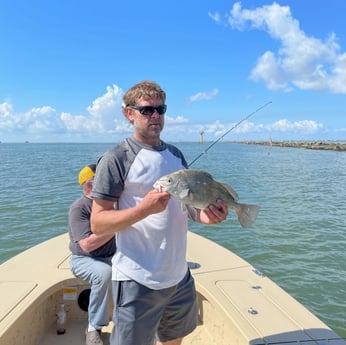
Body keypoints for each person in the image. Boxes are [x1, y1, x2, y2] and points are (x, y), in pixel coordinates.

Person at [90, 80, 228, 345]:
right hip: (136, 278)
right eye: (146, 110)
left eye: (160, 109)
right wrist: (144, 209)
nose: (155, 116)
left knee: (174, 340)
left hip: (179, 276)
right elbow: (98, 223)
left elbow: (187, 209)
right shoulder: (116, 158)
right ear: (128, 113)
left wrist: (206, 217)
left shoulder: (176, 155)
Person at [68, 164, 116, 345]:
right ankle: (93, 327)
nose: (109, 184)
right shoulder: (78, 208)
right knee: (104, 274)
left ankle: (129, 320)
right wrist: (117, 226)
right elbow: (87, 245)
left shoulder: (110, 204)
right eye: (103, 180)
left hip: (112, 255)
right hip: (84, 259)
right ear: (89, 185)